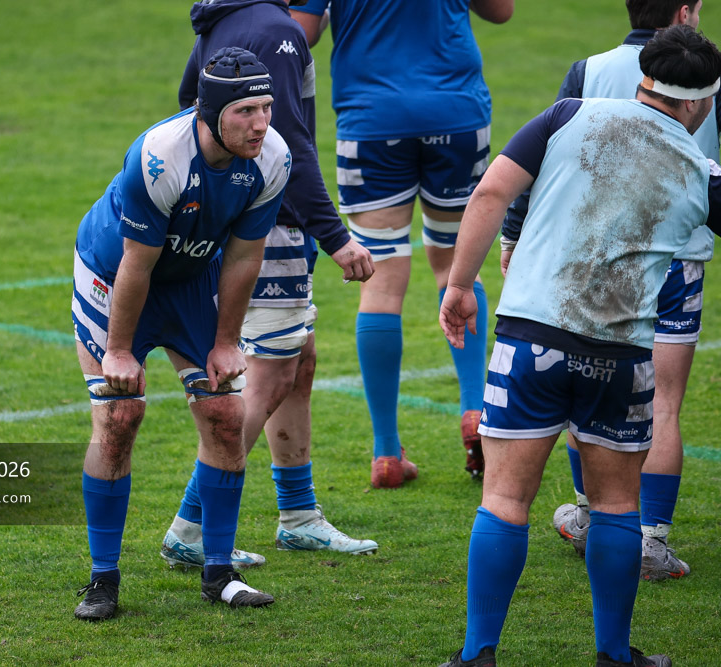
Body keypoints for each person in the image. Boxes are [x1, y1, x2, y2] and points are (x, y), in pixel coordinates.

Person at [438, 24, 721, 667]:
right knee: (619, 507)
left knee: (505, 501)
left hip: (530, 336)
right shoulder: (703, 174)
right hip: (621, 358)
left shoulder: (567, 116)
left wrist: (459, 286)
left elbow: (490, 194)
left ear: (646, 75)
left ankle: (478, 653)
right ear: (702, 102)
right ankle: (615, 656)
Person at [70, 46, 291, 621]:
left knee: (224, 415)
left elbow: (243, 259)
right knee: (120, 416)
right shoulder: (159, 157)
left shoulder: (273, 159)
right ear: (210, 111)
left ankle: (218, 572)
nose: (261, 123)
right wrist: (119, 351)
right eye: (245, 111)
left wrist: (225, 341)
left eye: (266, 108)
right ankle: (102, 579)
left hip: (192, 275)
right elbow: (136, 267)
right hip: (115, 271)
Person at [157, 0, 379, 571]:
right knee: (275, 368)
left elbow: (192, 100)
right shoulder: (278, 30)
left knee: (298, 359)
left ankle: (299, 517)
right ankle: (191, 525)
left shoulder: (225, 19)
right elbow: (285, 143)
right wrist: (335, 237)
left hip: (246, 211)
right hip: (271, 219)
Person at [502, 0, 716, 583]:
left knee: (579, 395)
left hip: (586, 262)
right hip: (678, 257)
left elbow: (531, 161)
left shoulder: (588, 71)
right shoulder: (708, 77)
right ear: (682, 12)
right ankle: (649, 537)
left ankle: (593, 517)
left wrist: (512, 236)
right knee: (662, 404)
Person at [291, 0, 514, 487]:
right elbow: (501, 11)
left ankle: (387, 453)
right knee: (458, 266)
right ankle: (477, 411)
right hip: (455, 111)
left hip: (371, 116)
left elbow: (299, 32)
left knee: (382, 282)